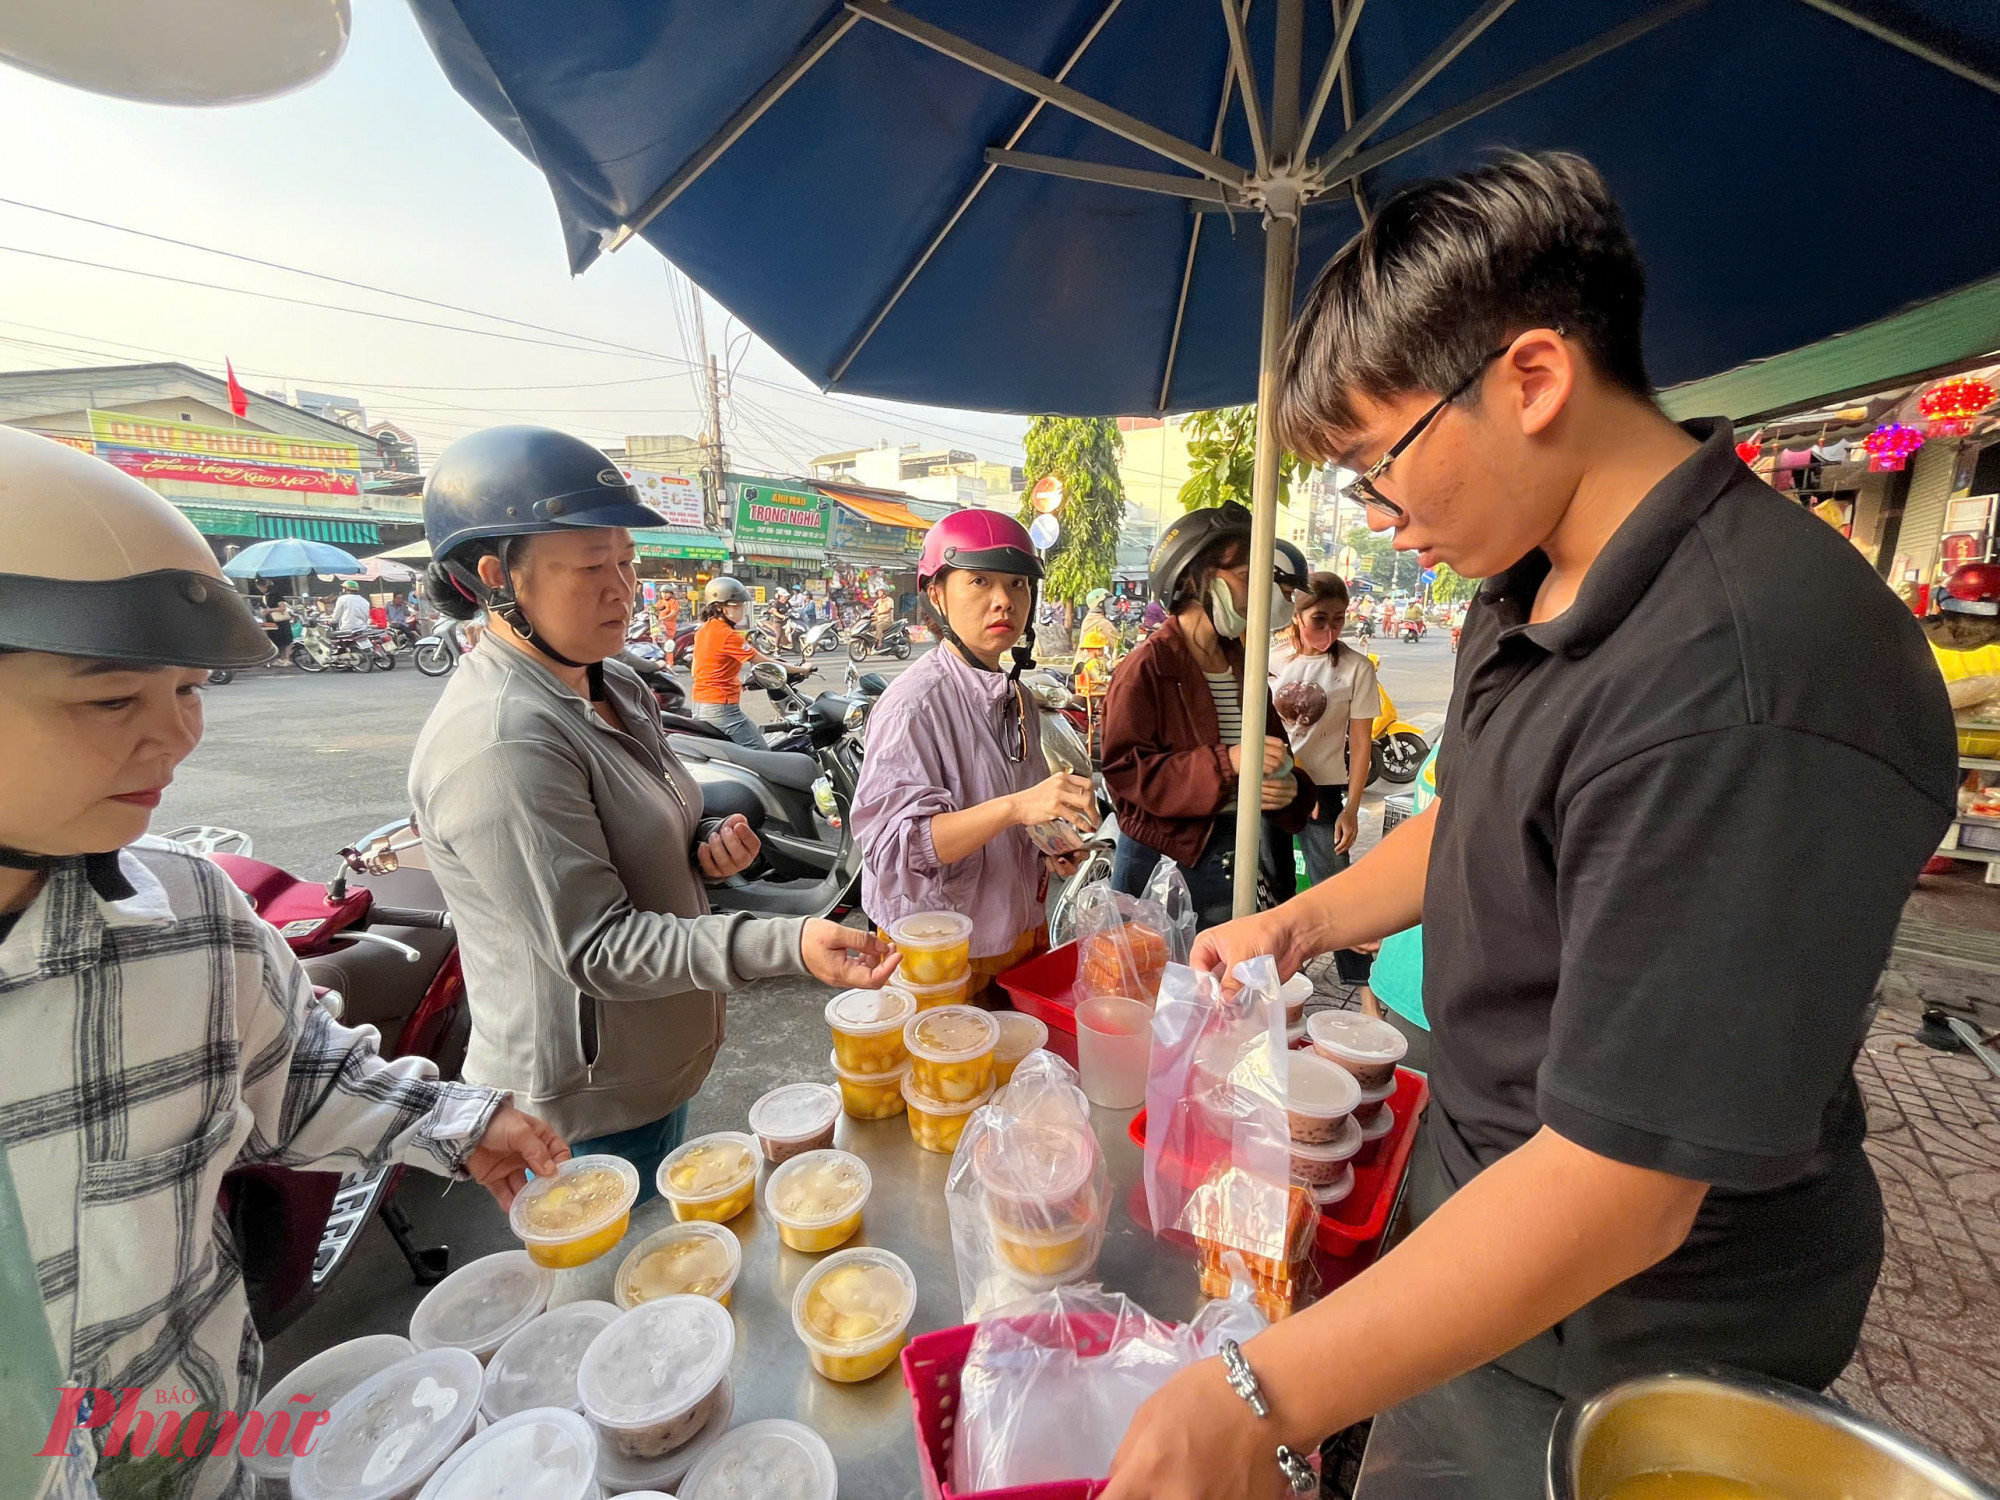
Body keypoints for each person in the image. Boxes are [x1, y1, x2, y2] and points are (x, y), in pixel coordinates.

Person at [1101, 152, 1956, 1500]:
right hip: (1479, 1210)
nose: (1379, 517)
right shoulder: (1534, 583)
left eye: (1379, 469)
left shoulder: (1747, 679)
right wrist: (1293, 920)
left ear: (1534, 379)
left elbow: (1622, 1186)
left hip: (1633, 1331)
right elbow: (1472, 824)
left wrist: (1259, 1393)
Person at [0, 428, 567, 1500]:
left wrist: (456, 1119)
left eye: (188, 690)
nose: (175, 740)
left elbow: (293, 1072)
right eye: (111, 699)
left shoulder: (194, 924)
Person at [408, 426, 897, 1195]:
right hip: (582, 1117)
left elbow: (642, 817)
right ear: (497, 578)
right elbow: (597, 945)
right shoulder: (501, 740)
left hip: (653, 1069)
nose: (622, 589)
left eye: (627, 563)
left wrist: (699, 840)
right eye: (591, 567)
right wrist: (787, 943)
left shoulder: (615, 685)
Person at [853, 512, 1093, 993]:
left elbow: (1010, 813)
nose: (1004, 600)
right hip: (938, 953)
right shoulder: (914, 706)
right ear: (937, 593)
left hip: (1018, 933)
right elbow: (895, 850)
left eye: (1018, 584)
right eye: (980, 581)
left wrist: (1047, 843)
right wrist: (1018, 807)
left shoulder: (1017, 696)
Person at [1100, 504, 1312, 929]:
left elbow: (1278, 757)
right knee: (1159, 987)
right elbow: (1125, 773)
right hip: (1163, 862)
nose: (1262, 594)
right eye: (1249, 579)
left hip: (1240, 852)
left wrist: (1290, 790)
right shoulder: (1146, 667)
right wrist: (1229, 762)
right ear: (1199, 579)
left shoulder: (1244, 664)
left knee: (1225, 986)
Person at [1266, 572, 1377, 888]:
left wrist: (1351, 809)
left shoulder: (1357, 668)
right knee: (1272, 886)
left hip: (1323, 791)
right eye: (1319, 619)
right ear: (1296, 615)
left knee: (1332, 887)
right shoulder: (1269, 660)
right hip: (1271, 785)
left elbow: (1360, 744)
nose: (1330, 629)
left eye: (1339, 619)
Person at [691, 576, 781, 749]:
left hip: (701, 705)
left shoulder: (704, 629)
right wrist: (800, 669)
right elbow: (760, 661)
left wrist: (733, 681)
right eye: (736, 606)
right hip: (721, 708)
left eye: (742, 605)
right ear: (719, 607)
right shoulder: (728, 635)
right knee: (763, 755)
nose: (740, 610)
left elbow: (696, 670)